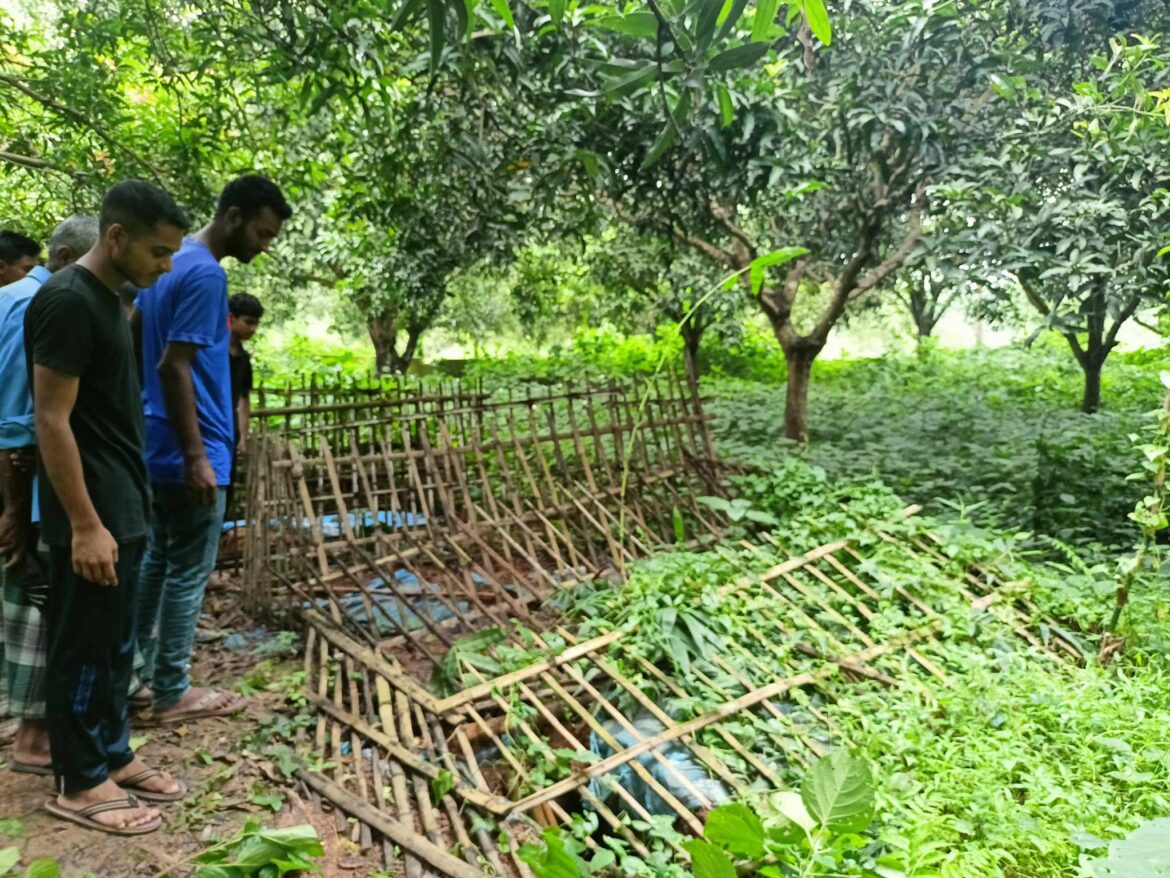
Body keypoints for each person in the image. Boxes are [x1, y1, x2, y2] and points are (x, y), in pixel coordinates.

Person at [26, 181, 188, 834]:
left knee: (116, 647)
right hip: (90, 515)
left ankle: (112, 754)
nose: (165, 266)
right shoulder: (66, 302)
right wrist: (87, 524)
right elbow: (51, 419)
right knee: (84, 648)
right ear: (115, 237)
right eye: (157, 251)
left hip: (123, 505)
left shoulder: (113, 303)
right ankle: (80, 780)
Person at [135, 175, 290, 724]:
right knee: (186, 571)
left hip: (156, 441)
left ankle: (136, 671)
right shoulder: (203, 276)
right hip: (193, 447)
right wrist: (200, 456)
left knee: (156, 560)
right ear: (232, 218)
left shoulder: (165, 266)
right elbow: (173, 366)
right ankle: (172, 688)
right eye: (262, 231)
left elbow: (138, 342)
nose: (264, 245)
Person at [0, 216, 99, 776]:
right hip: (23, 481)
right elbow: (19, 421)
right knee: (35, 599)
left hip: (20, 477)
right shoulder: (34, 305)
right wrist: (16, 507)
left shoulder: (17, 297)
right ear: (62, 258)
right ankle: (33, 737)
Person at [225, 293, 262, 523]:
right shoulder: (209, 351)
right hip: (208, 431)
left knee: (226, 490)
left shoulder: (243, 359)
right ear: (231, 319)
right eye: (249, 322)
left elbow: (243, 399)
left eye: (256, 323)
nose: (253, 329)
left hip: (229, 434)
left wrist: (243, 436)